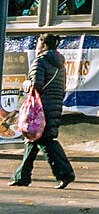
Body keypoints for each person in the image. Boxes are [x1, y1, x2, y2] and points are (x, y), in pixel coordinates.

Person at [10, 33, 75, 189]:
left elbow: (35, 86)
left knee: (46, 142)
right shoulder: (60, 64)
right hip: (54, 105)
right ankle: (21, 176)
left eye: (38, 44)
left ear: (44, 46)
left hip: (39, 109)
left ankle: (65, 174)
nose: (36, 48)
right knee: (32, 142)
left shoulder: (40, 61)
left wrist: (25, 84)